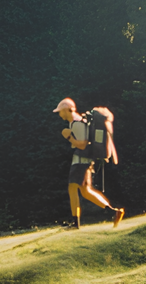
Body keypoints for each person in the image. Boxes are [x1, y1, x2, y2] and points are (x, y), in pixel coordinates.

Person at [53, 97, 124, 229]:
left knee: (72, 188)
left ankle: (75, 224)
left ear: (66, 110)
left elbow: (82, 145)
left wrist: (68, 136)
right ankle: (113, 212)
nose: (60, 114)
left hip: (81, 161)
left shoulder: (77, 123)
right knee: (85, 191)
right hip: (83, 161)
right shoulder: (77, 122)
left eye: (60, 111)